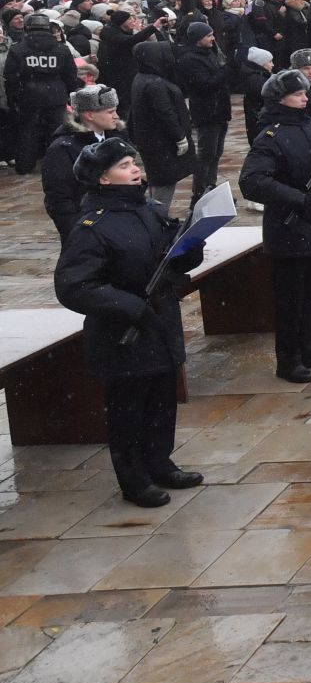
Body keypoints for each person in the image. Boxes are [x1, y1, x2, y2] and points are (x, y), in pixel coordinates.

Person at [52, 134, 206, 509]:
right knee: (128, 409)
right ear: (103, 179)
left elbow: (168, 258)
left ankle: (159, 461)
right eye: (124, 165)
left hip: (160, 323)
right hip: (123, 333)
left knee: (161, 400)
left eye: (134, 162)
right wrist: (126, 305)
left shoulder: (149, 209)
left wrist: (192, 246)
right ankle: (133, 478)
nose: (136, 168)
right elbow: (74, 286)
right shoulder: (92, 226)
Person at [239, 69, 311, 383]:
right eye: (298, 94)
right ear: (281, 99)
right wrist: (295, 198)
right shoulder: (271, 135)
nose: (306, 97)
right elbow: (252, 182)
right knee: (290, 298)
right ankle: (288, 359)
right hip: (289, 228)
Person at [43, 85, 124, 240]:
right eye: (110, 112)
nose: (116, 116)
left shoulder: (116, 138)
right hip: (88, 231)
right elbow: (58, 200)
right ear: (89, 115)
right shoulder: (62, 149)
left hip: (114, 226)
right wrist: (78, 232)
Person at [6, 11, 80, 174]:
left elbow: (11, 78)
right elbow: (70, 75)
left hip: (29, 95)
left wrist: (14, 100)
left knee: (27, 132)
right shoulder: (60, 48)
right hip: (56, 94)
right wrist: (68, 93)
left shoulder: (18, 49)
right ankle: (60, 165)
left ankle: (25, 166)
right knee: (57, 131)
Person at [127, 40, 193, 215]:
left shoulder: (141, 78)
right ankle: (158, 221)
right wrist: (180, 137)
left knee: (158, 183)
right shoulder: (155, 83)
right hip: (161, 143)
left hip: (151, 141)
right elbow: (166, 112)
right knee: (164, 184)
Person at [175, 20, 232, 203]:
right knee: (206, 154)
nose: (213, 38)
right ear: (198, 39)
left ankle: (211, 188)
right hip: (207, 111)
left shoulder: (208, 52)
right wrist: (228, 69)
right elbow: (206, 85)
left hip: (219, 110)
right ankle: (200, 192)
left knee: (216, 152)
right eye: (208, 36)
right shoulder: (189, 59)